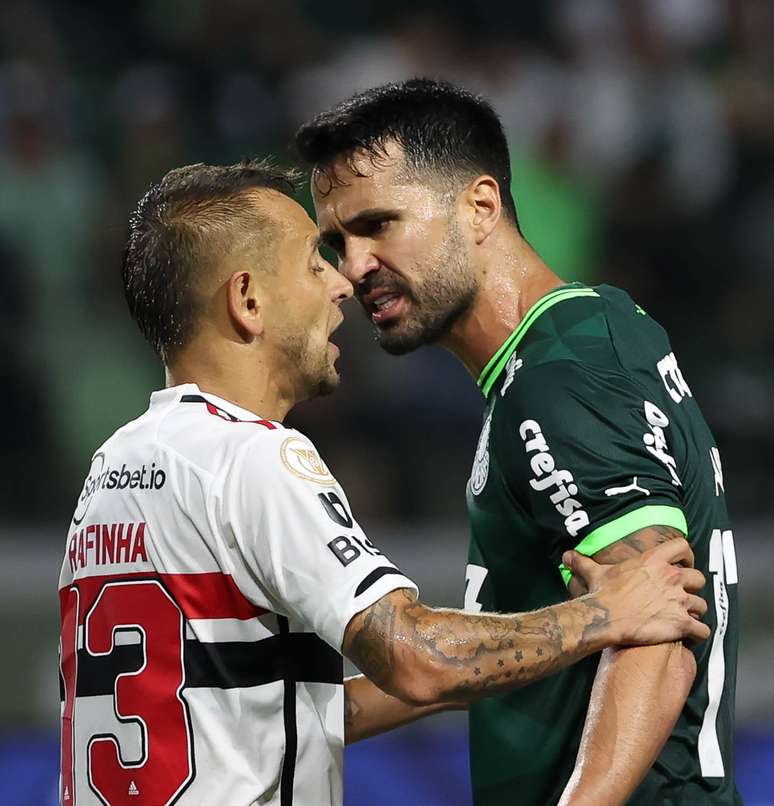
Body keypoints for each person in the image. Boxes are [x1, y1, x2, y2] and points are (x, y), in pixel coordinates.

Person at [57, 160, 708, 806]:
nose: (342, 284)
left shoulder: (113, 468)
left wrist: (513, 653)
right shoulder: (253, 457)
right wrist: (604, 614)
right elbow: (417, 657)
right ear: (248, 299)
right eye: (314, 262)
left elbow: (255, 709)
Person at [295, 78, 740, 805]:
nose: (354, 265)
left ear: (479, 206)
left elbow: (658, 633)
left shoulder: (562, 379)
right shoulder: (574, 349)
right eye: (338, 241)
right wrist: (269, 718)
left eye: (379, 223)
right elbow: (527, 648)